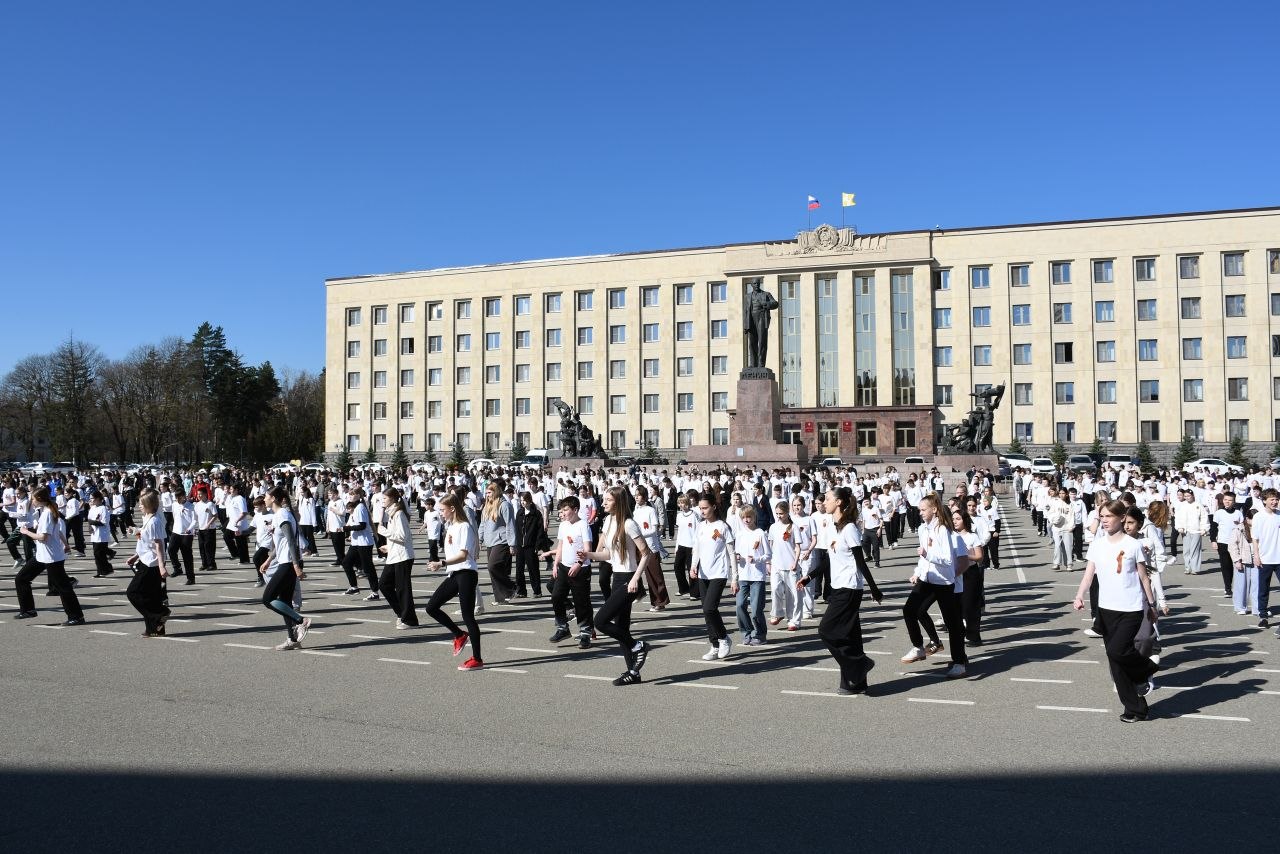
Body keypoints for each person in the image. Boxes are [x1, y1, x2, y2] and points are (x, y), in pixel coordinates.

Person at [1072, 499, 1159, 722]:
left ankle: (1146, 668)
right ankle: (1135, 708)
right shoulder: (1097, 545)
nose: (1104, 520)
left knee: (1117, 651)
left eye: (1109, 516)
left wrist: (1151, 606)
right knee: (1116, 663)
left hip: (1131, 608)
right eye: (1102, 516)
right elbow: (1088, 575)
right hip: (1106, 609)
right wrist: (1079, 595)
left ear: (1121, 518)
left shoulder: (1133, 545)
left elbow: (1144, 578)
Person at [798, 487, 882, 695]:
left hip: (849, 587)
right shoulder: (833, 528)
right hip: (838, 586)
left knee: (826, 630)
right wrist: (810, 576)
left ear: (839, 502)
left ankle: (859, 664)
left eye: (827, 499)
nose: (823, 502)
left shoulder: (850, 528)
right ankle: (855, 683)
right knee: (851, 636)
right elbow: (829, 560)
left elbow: (860, 561)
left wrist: (874, 588)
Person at [582, 486, 655, 686]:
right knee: (621, 626)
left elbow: (646, 553)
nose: (603, 502)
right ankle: (633, 672)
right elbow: (608, 555)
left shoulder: (629, 524)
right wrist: (588, 555)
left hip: (629, 579)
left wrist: (636, 579)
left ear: (619, 502)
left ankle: (638, 646)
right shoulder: (608, 521)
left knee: (600, 621)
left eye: (608, 500)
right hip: (617, 577)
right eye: (604, 499)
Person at [900, 493, 969, 678]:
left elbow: (947, 560)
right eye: (919, 510)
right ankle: (918, 647)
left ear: (934, 509)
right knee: (910, 610)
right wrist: (917, 572)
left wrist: (927, 555)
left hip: (944, 582)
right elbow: (923, 559)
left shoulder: (943, 530)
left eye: (923, 510)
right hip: (927, 579)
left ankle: (959, 663)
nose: (920, 513)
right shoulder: (923, 529)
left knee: (953, 624)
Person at [423, 493, 483, 671]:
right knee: (431, 607)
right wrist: (442, 564)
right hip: (454, 574)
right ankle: (459, 634)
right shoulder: (450, 527)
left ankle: (477, 659)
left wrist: (441, 563)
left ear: (452, 508)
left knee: (468, 616)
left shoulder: (464, 526)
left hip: (466, 574)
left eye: (442, 510)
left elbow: (463, 555)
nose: (441, 513)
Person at [14, 486, 86, 625]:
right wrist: (65, 544)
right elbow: (57, 531)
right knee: (21, 579)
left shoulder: (48, 513)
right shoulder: (47, 511)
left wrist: (26, 532)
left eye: (33, 499)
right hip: (42, 556)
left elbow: (43, 537)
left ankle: (76, 617)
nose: (32, 502)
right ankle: (28, 610)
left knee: (63, 587)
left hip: (51, 557)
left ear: (39, 499)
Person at [258, 485, 311, 651]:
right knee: (285, 602)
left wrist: (296, 566)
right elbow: (280, 543)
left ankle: (301, 621)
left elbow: (291, 542)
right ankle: (292, 639)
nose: (264, 499)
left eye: (266, 496)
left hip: (289, 563)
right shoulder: (278, 515)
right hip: (285, 561)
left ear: (273, 499)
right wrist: (268, 560)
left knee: (268, 599)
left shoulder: (283, 515)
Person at [543, 495, 595, 649]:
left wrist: (579, 564)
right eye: (562, 510)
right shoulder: (563, 525)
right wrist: (555, 564)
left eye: (566, 510)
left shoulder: (583, 525)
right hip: (564, 567)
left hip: (580, 569)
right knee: (556, 596)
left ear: (575, 510)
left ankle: (585, 633)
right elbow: (561, 546)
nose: (563, 513)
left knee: (581, 602)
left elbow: (588, 548)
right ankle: (562, 628)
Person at [690, 493, 736, 661]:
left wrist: (735, 578)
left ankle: (724, 638)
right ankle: (714, 645)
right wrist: (693, 565)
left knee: (710, 608)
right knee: (706, 611)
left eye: (705, 508)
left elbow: (732, 553)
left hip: (719, 573)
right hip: (703, 573)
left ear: (714, 507)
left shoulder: (722, 526)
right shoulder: (701, 526)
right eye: (700, 508)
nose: (702, 511)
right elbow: (697, 548)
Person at [125, 491, 170, 637]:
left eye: (141, 504)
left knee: (133, 592)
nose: (139, 506)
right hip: (145, 559)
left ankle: (159, 614)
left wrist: (162, 566)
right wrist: (135, 556)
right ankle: (155, 628)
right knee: (151, 595)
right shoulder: (147, 519)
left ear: (149, 505)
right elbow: (146, 542)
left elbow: (158, 545)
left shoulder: (155, 521)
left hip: (151, 563)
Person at [378, 486, 418, 630]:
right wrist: (389, 546)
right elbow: (399, 537)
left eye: (385, 498)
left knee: (403, 589)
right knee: (384, 584)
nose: (382, 500)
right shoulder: (392, 513)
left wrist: (384, 532)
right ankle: (401, 613)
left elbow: (403, 536)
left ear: (393, 498)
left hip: (403, 557)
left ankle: (410, 620)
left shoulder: (399, 513)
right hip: (395, 555)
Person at [733, 505, 771, 646]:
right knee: (740, 605)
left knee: (755, 609)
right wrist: (737, 557)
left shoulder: (760, 533)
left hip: (757, 576)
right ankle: (746, 632)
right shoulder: (739, 534)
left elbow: (768, 554)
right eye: (743, 517)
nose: (746, 520)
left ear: (754, 517)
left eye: (749, 517)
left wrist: (756, 559)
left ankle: (760, 634)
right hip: (743, 575)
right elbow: (736, 551)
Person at [479, 478, 517, 604]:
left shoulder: (505, 505)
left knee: (492, 566)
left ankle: (511, 587)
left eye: (489, 492)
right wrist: (479, 539)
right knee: (493, 570)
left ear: (495, 492)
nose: (487, 495)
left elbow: (510, 525)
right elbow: (482, 524)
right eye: (486, 493)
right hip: (490, 541)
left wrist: (512, 544)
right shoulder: (487, 506)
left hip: (502, 541)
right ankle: (500, 598)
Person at [514, 492, 545, 598]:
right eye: (521, 500)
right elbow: (517, 529)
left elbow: (540, 531)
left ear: (529, 500)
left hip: (531, 546)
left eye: (524, 500)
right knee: (519, 569)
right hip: (520, 545)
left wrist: (537, 545)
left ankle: (537, 591)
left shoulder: (536, 514)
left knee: (533, 569)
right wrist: (516, 543)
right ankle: (521, 591)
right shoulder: (519, 512)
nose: (522, 502)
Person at [167, 488, 196, 584]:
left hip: (187, 533)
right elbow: (174, 517)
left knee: (187, 556)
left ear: (184, 496)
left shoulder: (191, 506)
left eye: (179, 498)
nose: (178, 500)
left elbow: (194, 520)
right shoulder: (174, 505)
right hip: (176, 531)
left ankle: (190, 578)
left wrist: (190, 528)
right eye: (176, 498)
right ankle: (177, 568)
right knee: (171, 549)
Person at [86, 491, 115, 578]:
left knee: (98, 553)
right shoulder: (92, 508)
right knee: (98, 554)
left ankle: (103, 571)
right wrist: (90, 527)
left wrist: (93, 522)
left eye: (92, 498)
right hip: (95, 534)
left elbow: (104, 522)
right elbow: (89, 519)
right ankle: (105, 570)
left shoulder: (103, 509)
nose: (91, 500)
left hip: (102, 534)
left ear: (98, 499)